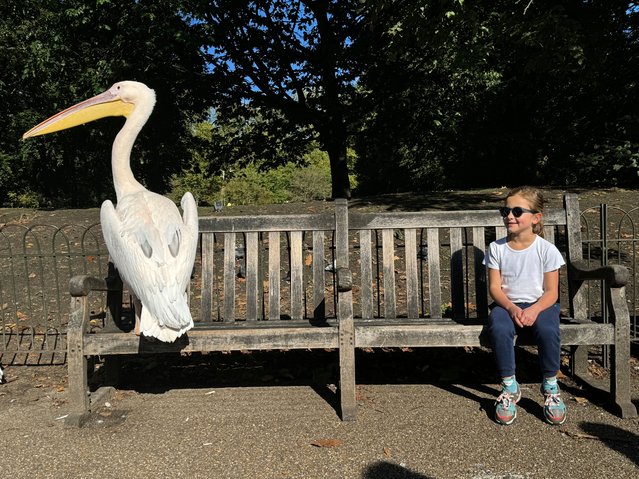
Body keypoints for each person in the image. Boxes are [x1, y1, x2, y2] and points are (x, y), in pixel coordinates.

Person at [484, 186, 566, 426]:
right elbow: (495, 289)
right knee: (498, 328)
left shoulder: (546, 250)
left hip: (540, 304)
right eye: (506, 211)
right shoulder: (496, 248)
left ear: (536, 218)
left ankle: (550, 387)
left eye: (517, 211)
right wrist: (510, 308)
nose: (510, 216)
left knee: (549, 330)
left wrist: (534, 309)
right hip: (506, 304)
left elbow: (551, 293)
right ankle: (509, 386)